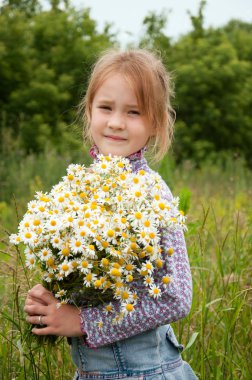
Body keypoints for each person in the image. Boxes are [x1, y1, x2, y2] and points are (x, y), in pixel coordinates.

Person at [24, 49, 197, 379]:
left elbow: (176, 298)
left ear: (156, 123)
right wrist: (53, 293)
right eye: (106, 108)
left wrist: (82, 321)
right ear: (88, 111)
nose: (116, 122)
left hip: (143, 371)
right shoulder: (83, 188)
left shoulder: (149, 193)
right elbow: (99, 274)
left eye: (134, 112)